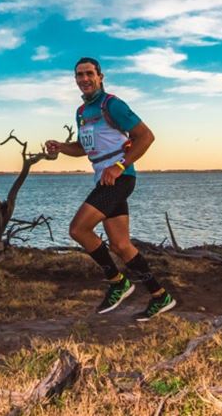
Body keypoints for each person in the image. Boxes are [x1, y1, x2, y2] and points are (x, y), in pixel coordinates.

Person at [46, 57, 176, 321]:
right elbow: (83, 148)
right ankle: (160, 295)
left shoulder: (112, 105)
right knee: (120, 244)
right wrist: (60, 146)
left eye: (89, 74)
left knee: (78, 229)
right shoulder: (82, 112)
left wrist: (119, 165)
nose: (84, 79)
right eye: (79, 75)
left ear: (100, 76)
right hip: (103, 180)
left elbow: (146, 136)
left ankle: (118, 282)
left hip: (120, 178)